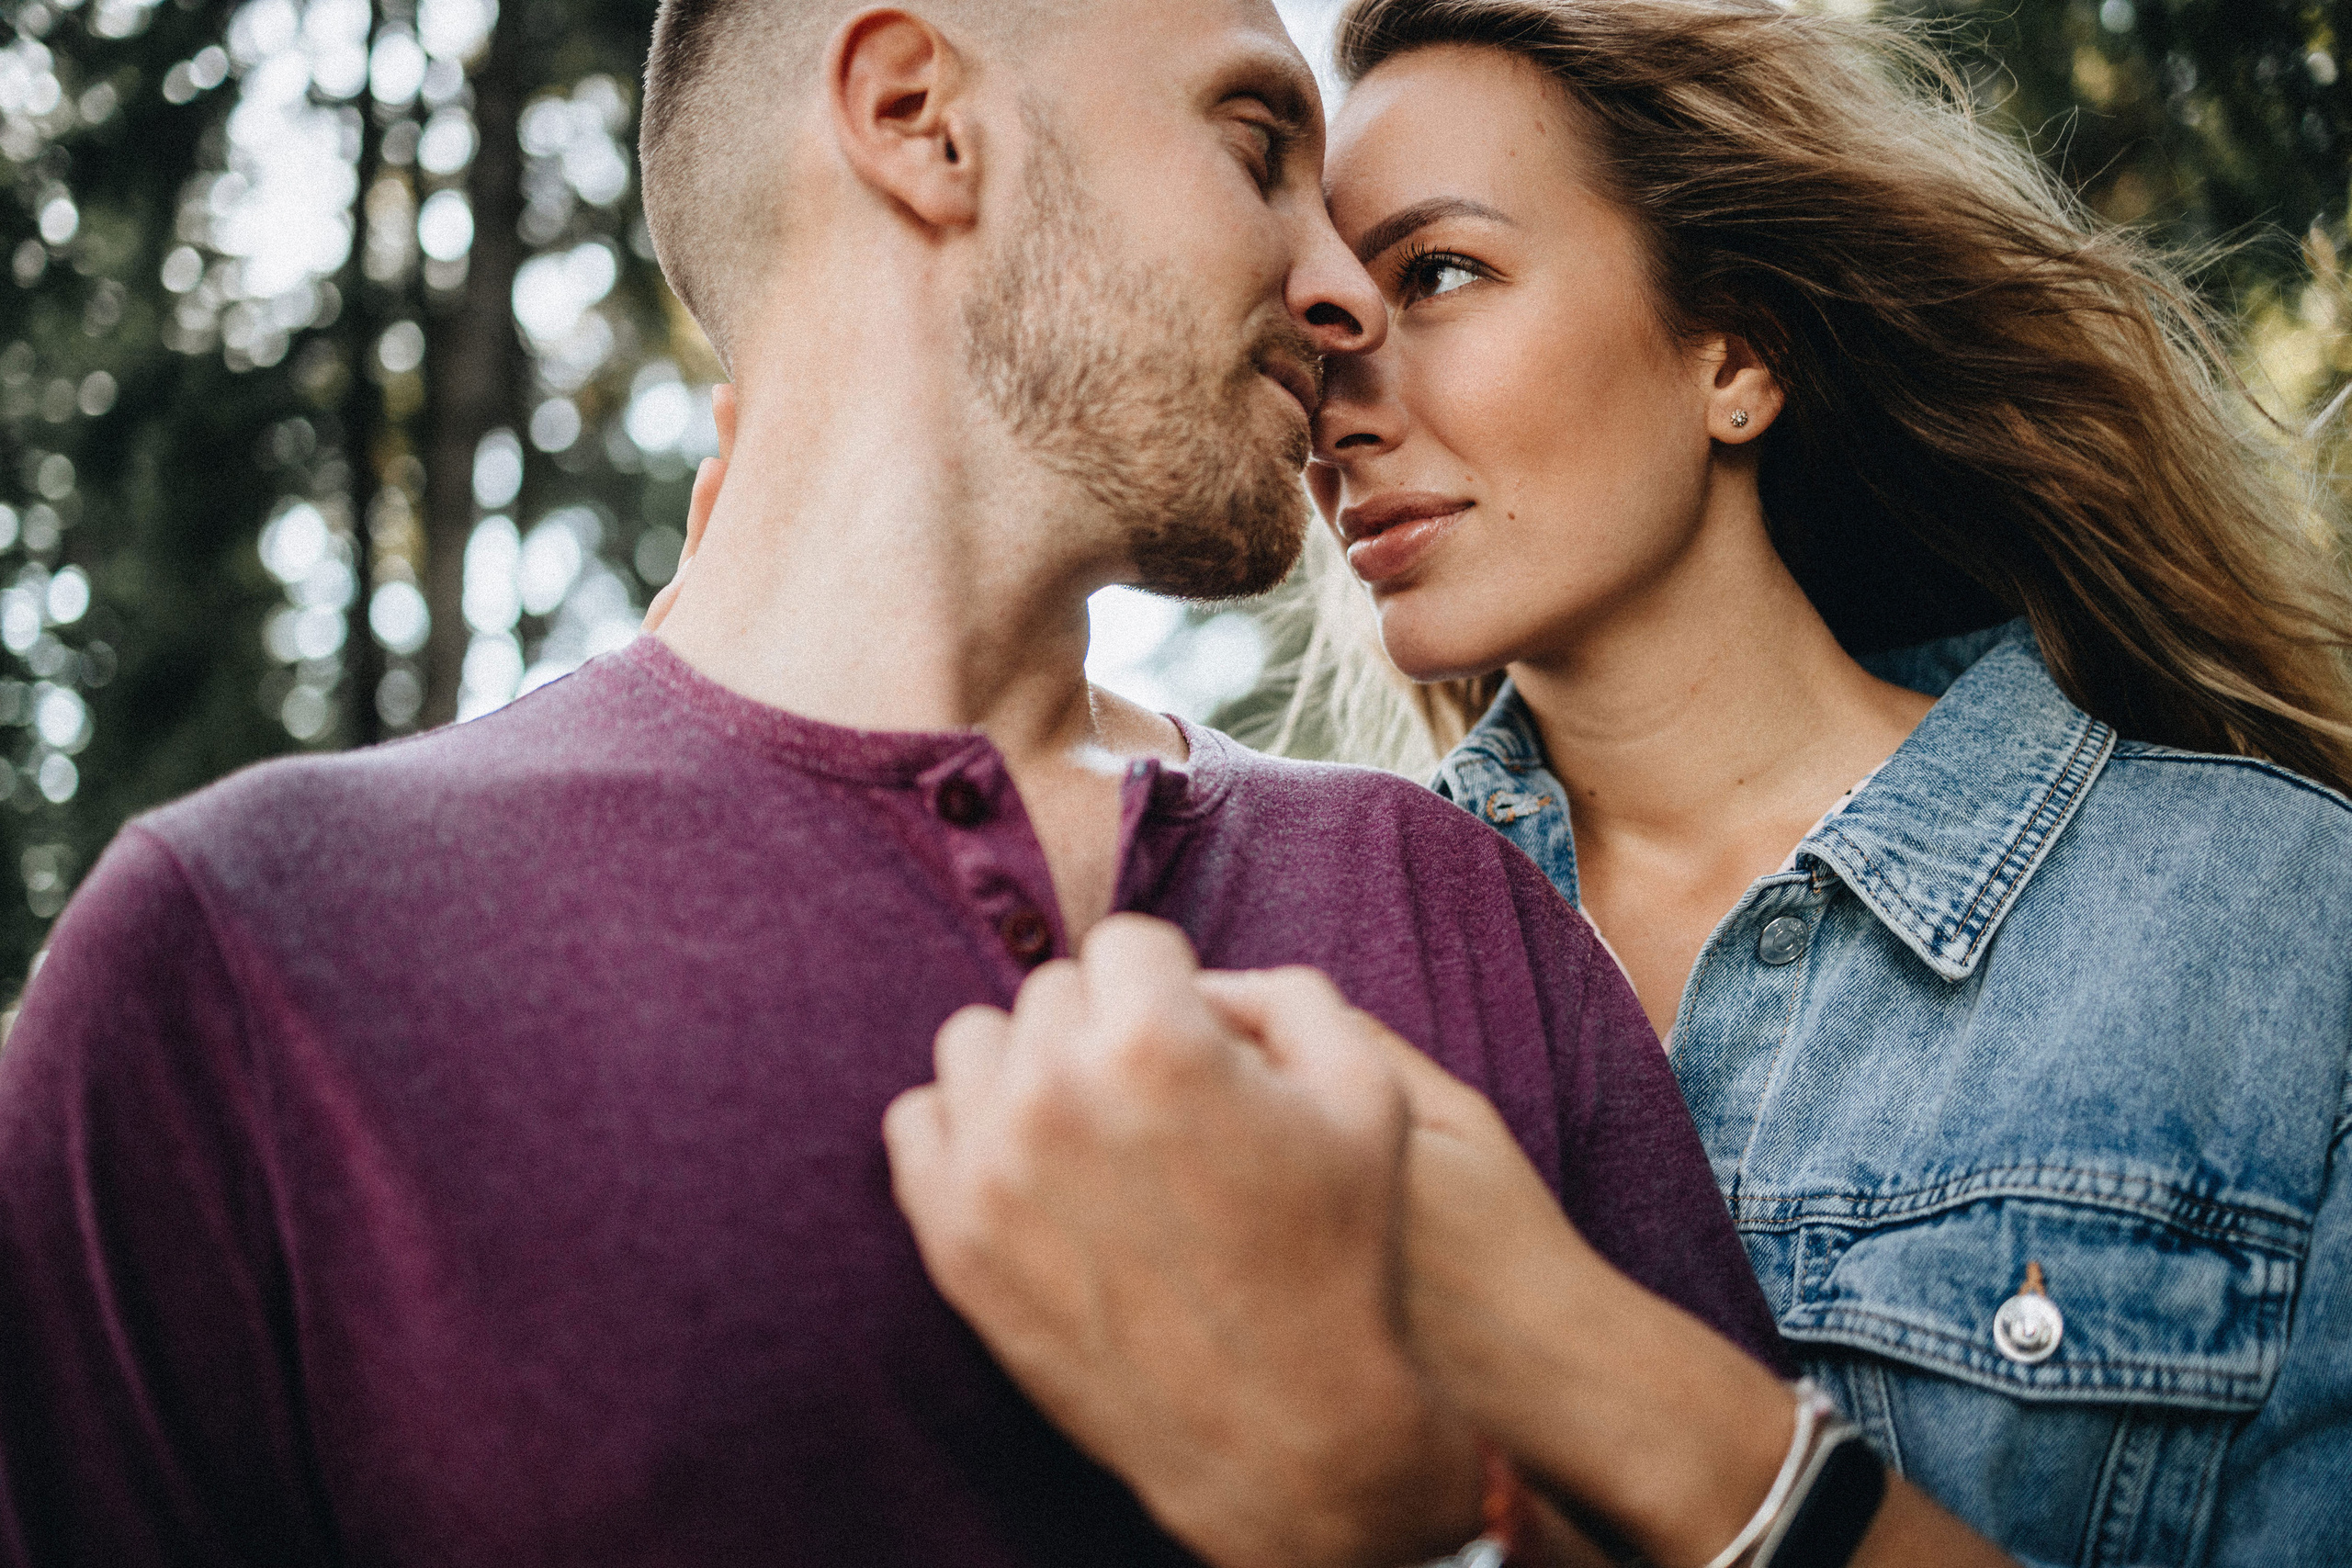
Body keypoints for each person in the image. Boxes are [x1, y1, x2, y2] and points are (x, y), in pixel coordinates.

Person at [0, 1, 1785, 1563]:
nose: (1336, 291)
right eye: (1257, 146)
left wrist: (1404, 1524)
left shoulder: (1442, 896)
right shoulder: (248, 959)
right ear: (922, 123)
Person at [882, 1, 2352, 1565]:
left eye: (1437, 274)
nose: (1341, 401)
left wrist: (1576, 1355)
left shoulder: (2276, 922)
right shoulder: (1273, 943)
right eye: (1316, 323)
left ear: (1736, 351)